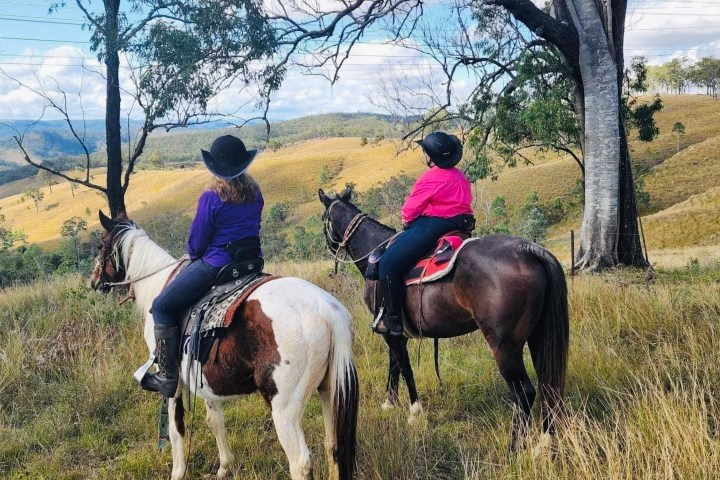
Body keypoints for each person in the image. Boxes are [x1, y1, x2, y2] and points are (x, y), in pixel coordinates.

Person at [141, 135, 264, 397]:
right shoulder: (255, 193)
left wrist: (194, 253)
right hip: (250, 264)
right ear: (243, 165)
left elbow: (196, 245)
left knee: (162, 305)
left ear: (214, 168)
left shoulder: (211, 197)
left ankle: (167, 377)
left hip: (217, 265)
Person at [375, 131, 474, 336]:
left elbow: (410, 209)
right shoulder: (460, 176)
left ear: (431, 156)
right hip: (461, 226)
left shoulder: (429, 178)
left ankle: (393, 320)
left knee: (388, 264)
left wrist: (406, 220)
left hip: (433, 226)